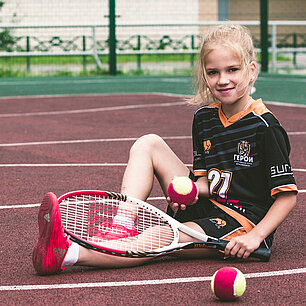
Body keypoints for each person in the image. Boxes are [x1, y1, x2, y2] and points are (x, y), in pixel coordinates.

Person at [32, 24, 298, 275]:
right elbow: (207, 181)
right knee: (149, 143)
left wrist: (255, 236)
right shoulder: (204, 118)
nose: (222, 80)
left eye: (232, 70)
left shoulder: (265, 127)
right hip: (210, 203)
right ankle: (121, 224)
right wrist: (190, 191)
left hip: (240, 223)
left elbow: (287, 197)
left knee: (161, 236)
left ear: (252, 71)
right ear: (204, 75)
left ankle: (68, 252)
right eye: (213, 72)